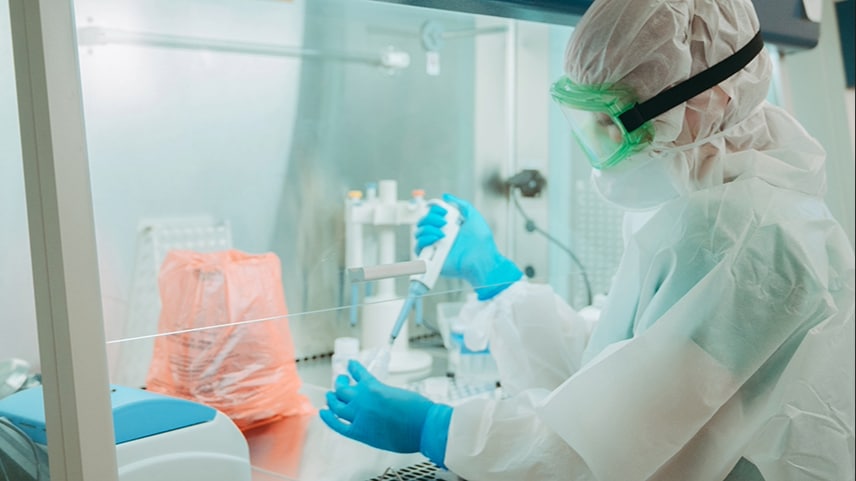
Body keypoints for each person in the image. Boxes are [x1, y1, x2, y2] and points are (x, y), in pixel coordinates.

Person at [320, 0, 856, 479]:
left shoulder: (751, 242)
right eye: (587, 121)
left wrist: (438, 429)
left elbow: (602, 457)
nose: (599, 152)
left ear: (707, 103)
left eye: (613, 124)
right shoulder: (706, 208)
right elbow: (610, 382)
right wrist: (500, 285)